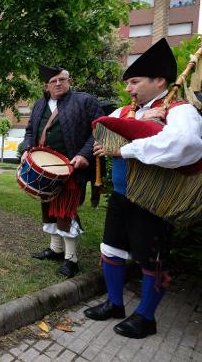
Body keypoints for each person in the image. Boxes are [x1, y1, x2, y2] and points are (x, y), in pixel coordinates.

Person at [84, 38, 202, 339]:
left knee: (152, 260)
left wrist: (126, 150)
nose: (129, 89)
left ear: (159, 80)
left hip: (154, 202)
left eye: (135, 82)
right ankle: (114, 304)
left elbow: (185, 145)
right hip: (123, 195)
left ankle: (146, 317)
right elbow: (105, 124)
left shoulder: (179, 111)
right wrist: (138, 119)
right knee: (110, 249)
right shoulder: (130, 110)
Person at [22, 66, 103, 278]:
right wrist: (26, 150)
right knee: (48, 209)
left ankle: (71, 259)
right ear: (46, 86)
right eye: (53, 81)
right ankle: (56, 250)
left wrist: (86, 155)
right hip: (44, 168)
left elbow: (100, 131)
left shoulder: (84, 101)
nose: (58, 83)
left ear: (68, 81)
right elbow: (30, 131)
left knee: (65, 211)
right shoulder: (39, 104)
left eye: (62, 79)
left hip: (71, 169)